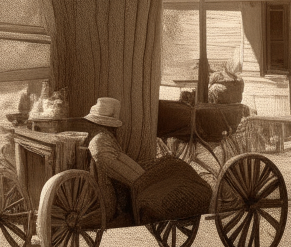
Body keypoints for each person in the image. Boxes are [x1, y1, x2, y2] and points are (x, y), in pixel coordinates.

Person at [85, 97, 211, 226]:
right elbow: (118, 167)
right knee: (166, 173)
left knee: (168, 167)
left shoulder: (105, 138)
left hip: (122, 171)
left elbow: (123, 160)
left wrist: (145, 174)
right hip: (118, 181)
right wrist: (145, 179)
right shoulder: (101, 142)